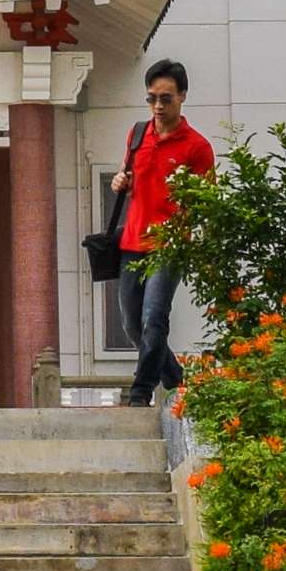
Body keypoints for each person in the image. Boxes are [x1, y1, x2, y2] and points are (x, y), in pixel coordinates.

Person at [115, 60, 217, 406]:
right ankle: (176, 379)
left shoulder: (197, 147)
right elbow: (128, 177)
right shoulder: (137, 134)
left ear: (182, 96)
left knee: (153, 319)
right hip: (132, 241)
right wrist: (121, 181)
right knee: (131, 325)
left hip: (169, 246)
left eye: (166, 98)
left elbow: (206, 201)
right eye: (152, 98)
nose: (158, 106)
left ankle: (140, 393)